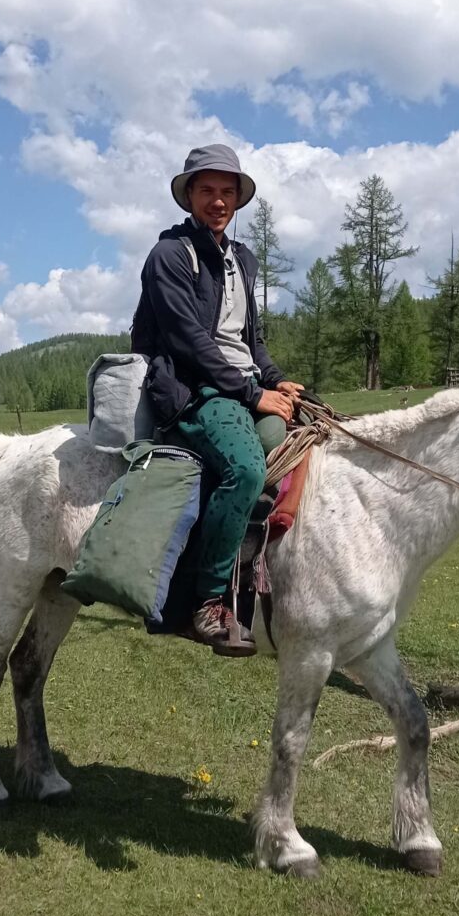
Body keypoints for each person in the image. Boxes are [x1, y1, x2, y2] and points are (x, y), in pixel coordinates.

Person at [131, 144, 303, 656]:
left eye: (227, 192)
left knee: (302, 445)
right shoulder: (169, 255)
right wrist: (254, 393)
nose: (219, 200)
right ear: (189, 196)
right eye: (207, 190)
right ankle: (205, 602)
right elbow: (189, 340)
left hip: (243, 388)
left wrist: (276, 380)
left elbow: (251, 339)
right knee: (247, 472)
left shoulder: (241, 259)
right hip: (195, 391)